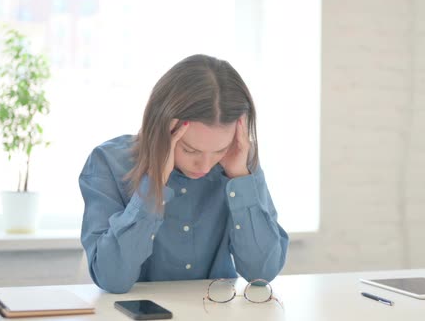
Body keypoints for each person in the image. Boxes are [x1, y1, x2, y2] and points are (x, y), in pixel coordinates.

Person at [79, 54, 289, 294]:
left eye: (219, 150)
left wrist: (240, 178)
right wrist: (155, 184)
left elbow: (262, 273)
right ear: (161, 129)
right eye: (190, 150)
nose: (205, 166)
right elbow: (112, 278)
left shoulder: (239, 161)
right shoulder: (108, 163)